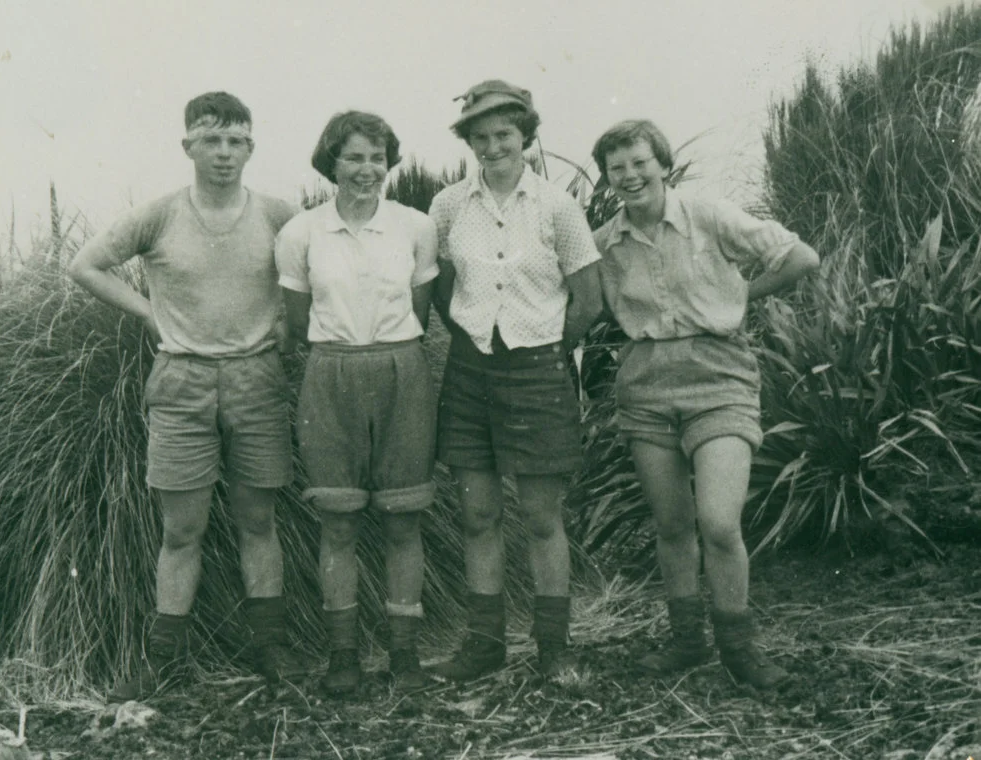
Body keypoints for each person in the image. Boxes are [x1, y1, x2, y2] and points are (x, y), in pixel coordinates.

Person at [68, 91, 305, 699]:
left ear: (250, 147)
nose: (223, 153)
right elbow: (86, 265)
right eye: (211, 140)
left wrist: (286, 324)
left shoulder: (279, 214)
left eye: (235, 141)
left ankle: (271, 650)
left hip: (257, 380)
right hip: (181, 381)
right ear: (188, 146)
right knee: (182, 529)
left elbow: (316, 270)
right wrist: (151, 315)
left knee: (258, 520)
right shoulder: (160, 214)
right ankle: (164, 660)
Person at [591, 119, 821, 689]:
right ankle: (688, 642)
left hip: (719, 375)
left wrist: (744, 296)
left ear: (663, 164)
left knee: (718, 522)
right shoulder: (605, 243)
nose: (629, 176)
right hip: (645, 381)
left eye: (640, 163)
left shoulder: (709, 215)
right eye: (616, 168)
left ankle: (739, 650)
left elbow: (802, 258)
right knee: (671, 524)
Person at [429, 80, 602, 681]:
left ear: (526, 136)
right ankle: (484, 644)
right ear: (468, 142)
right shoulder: (449, 205)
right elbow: (441, 287)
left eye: (504, 134)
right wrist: (476, 333)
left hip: (538, 370)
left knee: (541, 517)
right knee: (477, 515)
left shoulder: (558, 206)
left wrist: (548, 347)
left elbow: (588, 298)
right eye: (480, 136)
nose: (492, 145)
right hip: (471, 368)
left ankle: (553, 647)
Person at [275, 111, 439, 697]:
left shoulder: (416, 227)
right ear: (331, 164)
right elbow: (297, 322)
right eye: (354, 158)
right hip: (331, 373)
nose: (367, 170)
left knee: (403, 517)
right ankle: (343, 655)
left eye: (377, 157)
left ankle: (405, 653)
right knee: (338, 520)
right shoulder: (301, 234)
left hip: (402, 370)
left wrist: (388, 352)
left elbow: (421, 311)